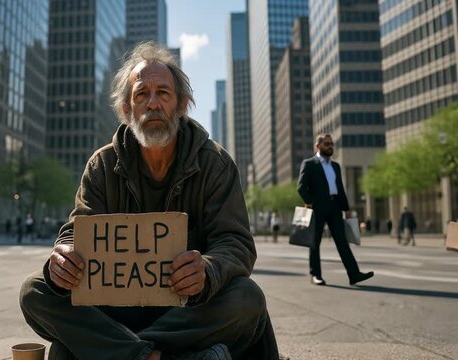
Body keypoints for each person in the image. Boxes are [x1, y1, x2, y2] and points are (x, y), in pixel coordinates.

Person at [19, 42, 279, 360]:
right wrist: (64, 258)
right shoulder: (101, 165)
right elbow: (77, 230)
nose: (153, 104)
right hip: (116, 308)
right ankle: (153, 357)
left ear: (181, 105)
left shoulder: (216, 163)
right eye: (142, 94)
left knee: (247, 298)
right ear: (127, 109)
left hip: (187, 306)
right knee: (35, 290)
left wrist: (208, 270)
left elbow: (236, 243)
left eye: (163, 94)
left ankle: (119, 352)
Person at [297, 134, 374, 286]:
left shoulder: (335, 166)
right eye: (327, 144)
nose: (330, 146)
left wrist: (345, 208)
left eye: (331, 144)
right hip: (317, 207)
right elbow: (301, 187)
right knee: (314, 242)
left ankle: (354, 274)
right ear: (318, 146)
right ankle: (316, 275)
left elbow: (339, 188)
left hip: (335, 207)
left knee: (342, 242)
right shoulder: (309, 163)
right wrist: (309, 202)